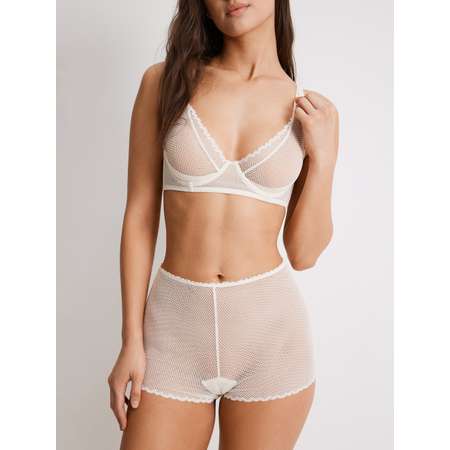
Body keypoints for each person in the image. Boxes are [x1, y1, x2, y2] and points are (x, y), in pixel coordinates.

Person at [108, 1, 339, 449]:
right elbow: (139, 216)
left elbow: (304, 253)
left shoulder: (310, 110)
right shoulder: (164, 83)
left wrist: (324, 158)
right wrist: (131, 340)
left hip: (271, 342)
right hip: (172, 336)